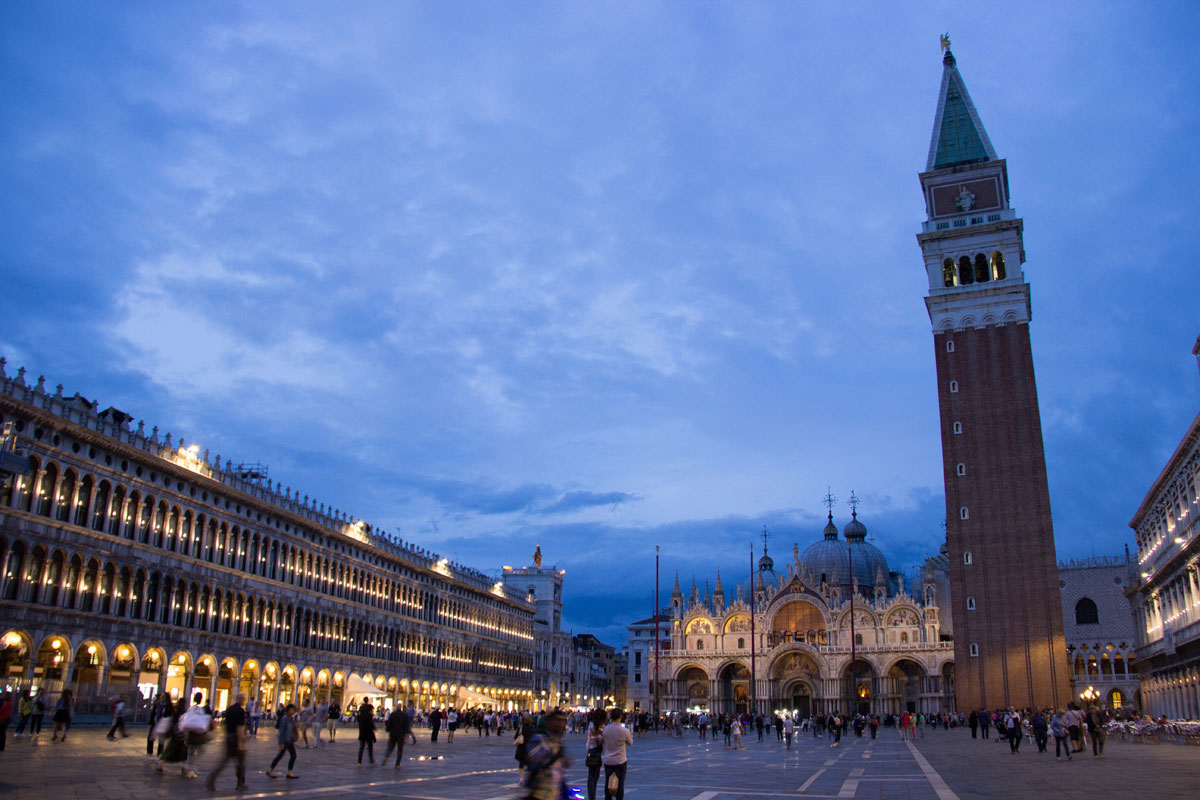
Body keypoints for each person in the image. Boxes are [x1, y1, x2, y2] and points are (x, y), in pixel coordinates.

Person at [206, 692, 248, 791]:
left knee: (224, 761)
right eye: (243, 699)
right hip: (236, 738)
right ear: (241, 699)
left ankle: (211, 779)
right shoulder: (240, 711)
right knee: (240, 762)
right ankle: (240, 784)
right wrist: (241, 742)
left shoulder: (230, 709)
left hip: (228, 736)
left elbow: (226, 723)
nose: (244, 700)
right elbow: (239, 727)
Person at [523, 711, 569, 800]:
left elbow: (558, 773)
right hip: (539, 794)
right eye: (558, 720)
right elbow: (532, 759)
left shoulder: (559, 743)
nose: (561, 724)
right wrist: (551, 755)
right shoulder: (538, 739)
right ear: (549, 722)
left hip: (554, 794)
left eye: (563, 721)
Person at [602, 708, 633, 800]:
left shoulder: (606, 729)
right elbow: (630, 742)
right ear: (620, 717)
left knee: (608, 783)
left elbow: (602, 741)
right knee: (620, 784)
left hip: (608, 760)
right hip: (620, 760)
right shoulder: (624, 731)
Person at [267, 703, 300, 779]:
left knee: (293, 755)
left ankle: (290, 772)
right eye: (291, 710)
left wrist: (294, 736)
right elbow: (281, 731)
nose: (293, 711)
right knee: (280, 756)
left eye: (293, 710)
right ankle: (270, 770)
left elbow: (292, 729)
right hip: (285, 741)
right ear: (288, 710)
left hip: (289, 740)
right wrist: (281, 743)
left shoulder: (290, 719)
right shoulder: (285, 719)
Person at [384, 704, 411, 768]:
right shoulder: (404, 715)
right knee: (400, 749)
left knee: (390, 747)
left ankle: (386, 757)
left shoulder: (392, 714)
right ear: (401, 708)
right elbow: (406, 725)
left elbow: (389, 723)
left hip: (392, 733)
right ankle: (397, 764)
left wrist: (387, 729)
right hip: (400, 734)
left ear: (396, 708)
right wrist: (407, 733)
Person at [357, 699, 377, 765]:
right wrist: (374, 728)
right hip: (368, 734)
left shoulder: (360, 716)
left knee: (361, 747)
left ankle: (359, 762)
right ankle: (371, 761)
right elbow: (370, 725)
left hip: (362, 733)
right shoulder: (369, 716)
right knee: (370, 748)